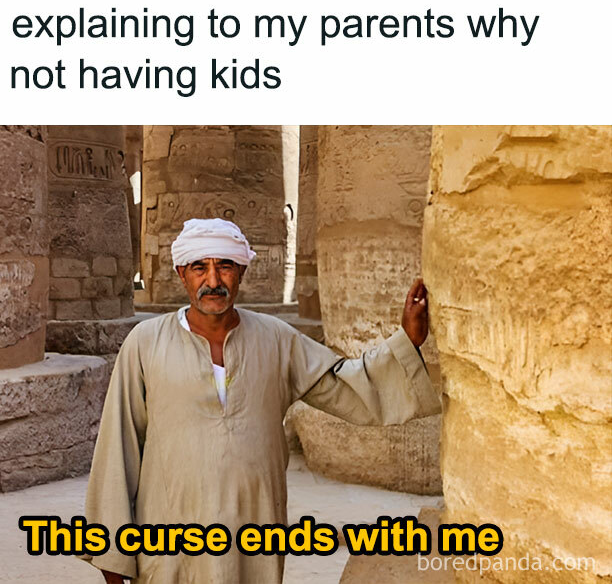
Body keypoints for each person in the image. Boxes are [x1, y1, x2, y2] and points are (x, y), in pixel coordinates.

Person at [81, 218, 441, 584]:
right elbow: (117, 450)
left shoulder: (277, 339)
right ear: (181, 274)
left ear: (241, 271)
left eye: (225, 266)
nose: (213, 280)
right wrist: (113, 558)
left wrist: (406, 341)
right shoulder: (145, 343)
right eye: (199, 267)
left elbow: (344, 384)